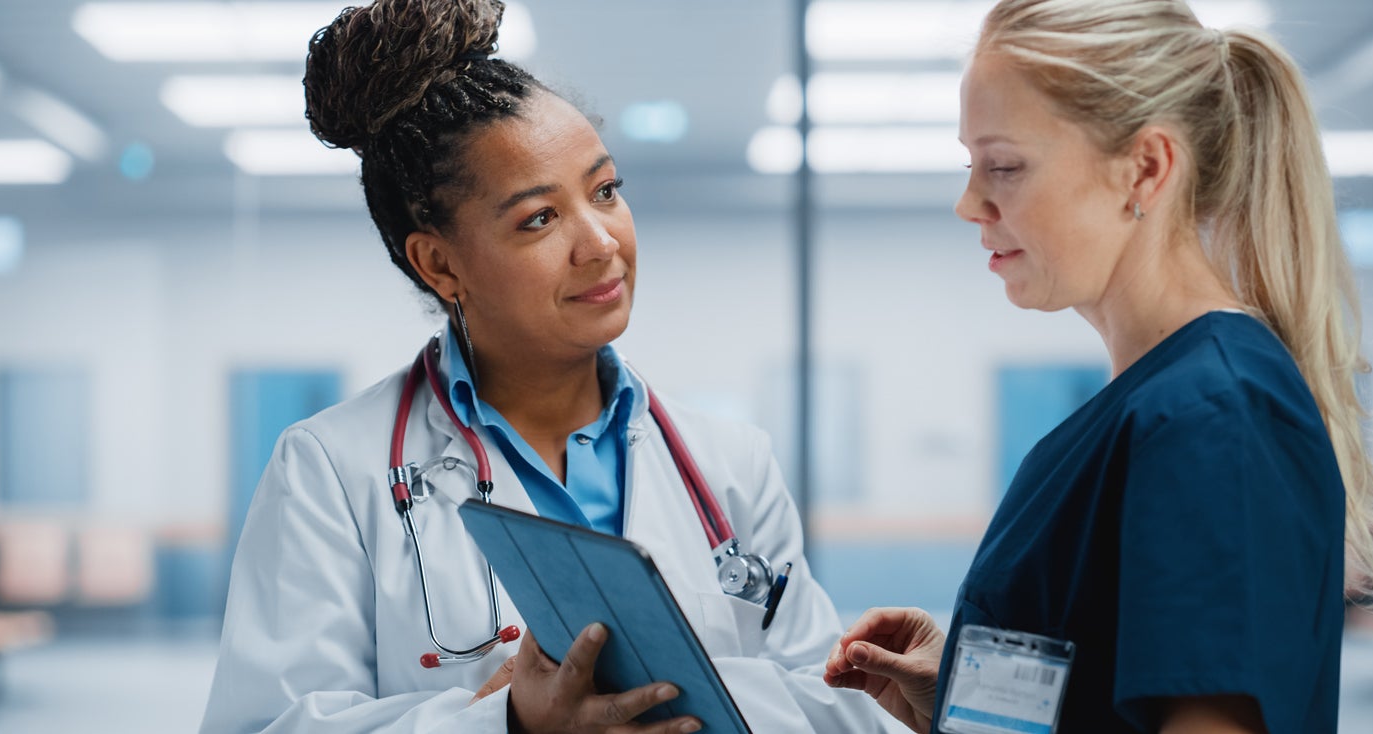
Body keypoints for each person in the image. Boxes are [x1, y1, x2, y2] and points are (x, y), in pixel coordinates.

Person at [199, 1, 897, 732]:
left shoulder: (729, 466)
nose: (600, 242)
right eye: (539, 218)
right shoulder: (331, 471)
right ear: (439, 263)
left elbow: (839, 706)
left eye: (605, 191)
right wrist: (510, 723)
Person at [823, 1, 1373, 733]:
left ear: (1145, 170)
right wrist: (966, 701)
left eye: (1004, 166)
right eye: (972, 165)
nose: (969, 203)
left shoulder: (1213, 412)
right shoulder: (1156, 405)